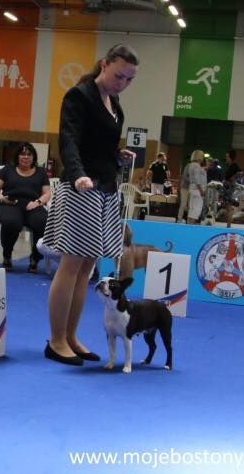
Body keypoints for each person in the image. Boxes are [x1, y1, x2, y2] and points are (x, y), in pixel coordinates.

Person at [42, 44, 139, 366]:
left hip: (105, 189)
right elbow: (68, 140)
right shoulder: (78, 96)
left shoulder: (116, 105)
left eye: (128, 79)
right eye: (118, 75)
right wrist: (77, 174)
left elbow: (99, 144)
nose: (122, 83)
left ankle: (71, 336)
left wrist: (118, 155)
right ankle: (56, 340)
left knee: (87, 269)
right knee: (71, 264)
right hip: (81, 189)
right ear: (103, 65)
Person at [0, 143, 50, 272]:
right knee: (11, 222)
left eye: (29, 154)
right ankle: (7, 255)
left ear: (33, 157)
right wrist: (2, 198)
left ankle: (35, 258)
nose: (25, 157)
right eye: (22, 154)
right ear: (17, 156)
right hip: (11, 203)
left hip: (33, 204)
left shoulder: (41, 172)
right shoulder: (7, 170)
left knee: (42, 222)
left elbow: (47, 193)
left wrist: (38, 202)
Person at [186, 150, 207, 224]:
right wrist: (202, 191)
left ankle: (188, 226)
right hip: (197, 190)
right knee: (196, 210)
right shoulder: (197, 166)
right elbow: (197, 180)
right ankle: (191, 227)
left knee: (191, 209)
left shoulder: (191, 165)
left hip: (191, 188)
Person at [176, 157, 192, 223]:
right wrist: (192, 181)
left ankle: (188, 220)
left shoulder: (198, 167)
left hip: (192, 189)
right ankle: (179, 219)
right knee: (183, 204)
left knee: (190, 205)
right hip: (185, 187)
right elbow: (184, 176)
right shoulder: (188, 166)